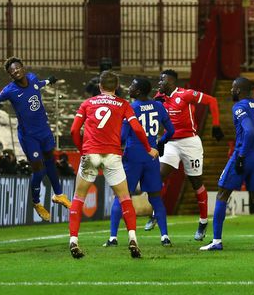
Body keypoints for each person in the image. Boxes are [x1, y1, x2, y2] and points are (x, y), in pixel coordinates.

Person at [69, 71, 159, 259]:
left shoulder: (87, 104)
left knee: (78, 198)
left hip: (90, 153)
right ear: (117, 87)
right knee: (125, 198)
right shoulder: (123, 104)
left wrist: (81, 149)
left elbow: (74, 129)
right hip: (112, 155)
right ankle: (133, 238)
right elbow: (136, 128)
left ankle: (73, 241)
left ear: (100, 86)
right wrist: (148, 148)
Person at [0, 57, 71, 220]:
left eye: (17, 68)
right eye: (12, 71)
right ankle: (36, 202)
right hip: (29, 136)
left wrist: (49, 81)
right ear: (9, 74)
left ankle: (59, 195)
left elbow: (38, 84)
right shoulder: (10, 90)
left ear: (23, 68)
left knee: (50, 162)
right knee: (39, 171)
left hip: (44, 130)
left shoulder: (32, 78)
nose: (15, 71)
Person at [200, 77, 254, 251]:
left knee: (222, 194)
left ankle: (216, 241)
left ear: (240, 90)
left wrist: (241, 155)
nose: (231, 90)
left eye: (233, 87)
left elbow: (248, 130)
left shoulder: (239, 107)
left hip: (243, 155)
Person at [148, 69, 224, 240]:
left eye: (162, 80)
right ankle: (155, 213)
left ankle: (203, 221)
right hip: (171, 143)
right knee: (157, 176)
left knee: (195, 182)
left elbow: (212, 100)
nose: (159, 83)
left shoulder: (186, 94)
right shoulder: (159, 98)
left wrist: (216, 125)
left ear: (172, 82)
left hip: (190, 142)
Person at [105, 78, 174, 247]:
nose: (129, 87)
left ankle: (113, 237)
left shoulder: (130, 108)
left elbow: (122, 137)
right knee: (156, 197)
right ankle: (165, 236)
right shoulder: (159, 106)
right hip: (151, 156)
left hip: (133, 156)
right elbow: (171, 130)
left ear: (138, 91)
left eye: (132, 85)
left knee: (121, 196)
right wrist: (160, 142)